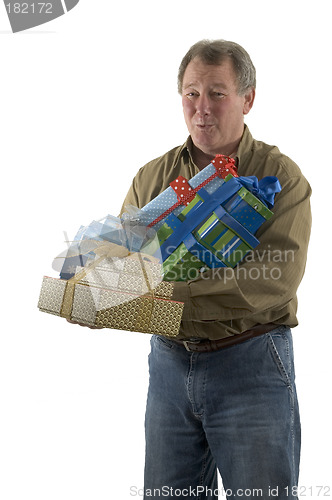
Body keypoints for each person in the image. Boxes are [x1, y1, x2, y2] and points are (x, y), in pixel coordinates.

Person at [121, 40, 311, 500]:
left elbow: (273, 279)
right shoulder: (153, 177)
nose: (202, 108)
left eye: (218, 93)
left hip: (251, 364)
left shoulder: (280, 177)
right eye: (191, 93)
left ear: (248, 99)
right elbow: (125, 262)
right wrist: (96, 289)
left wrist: (173, 295)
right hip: (168, 364)